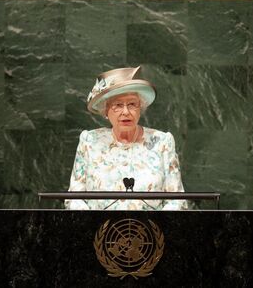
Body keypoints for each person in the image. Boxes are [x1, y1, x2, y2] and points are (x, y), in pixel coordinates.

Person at [65, 66, 188, 210]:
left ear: (140, 108)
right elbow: (74, 198)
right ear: (106, 110)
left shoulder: (162, 142)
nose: (126, 112)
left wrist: (156, 227)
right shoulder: (89, 141)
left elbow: (177, 200)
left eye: (132, 104)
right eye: (117, 105)